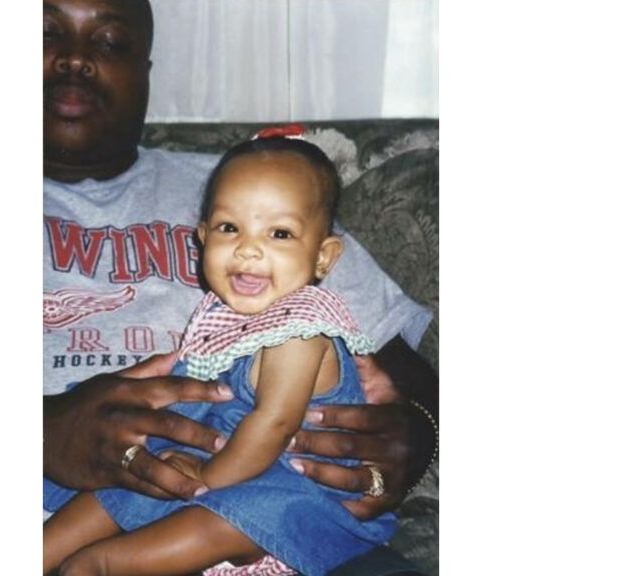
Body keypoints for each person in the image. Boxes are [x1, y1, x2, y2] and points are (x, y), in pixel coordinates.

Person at [42, 0, 439, 573]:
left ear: (147, 71)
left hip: (249, 493)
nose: (76, 61)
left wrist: (413, 434)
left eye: (109, 42)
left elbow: (402, 369)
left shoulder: (259, 184)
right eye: (47, 33)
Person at [44, 134, 401, 576]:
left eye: (280, 233)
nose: (248, 249)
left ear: (324, 258)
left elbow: (273, 422)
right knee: (123, 485)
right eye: (229, 228)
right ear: (202, 237)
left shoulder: (302, 329)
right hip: (220, 455)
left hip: (285, 483)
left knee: (111, 556)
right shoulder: (218, 311)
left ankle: (95, 565)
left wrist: (204, 482)